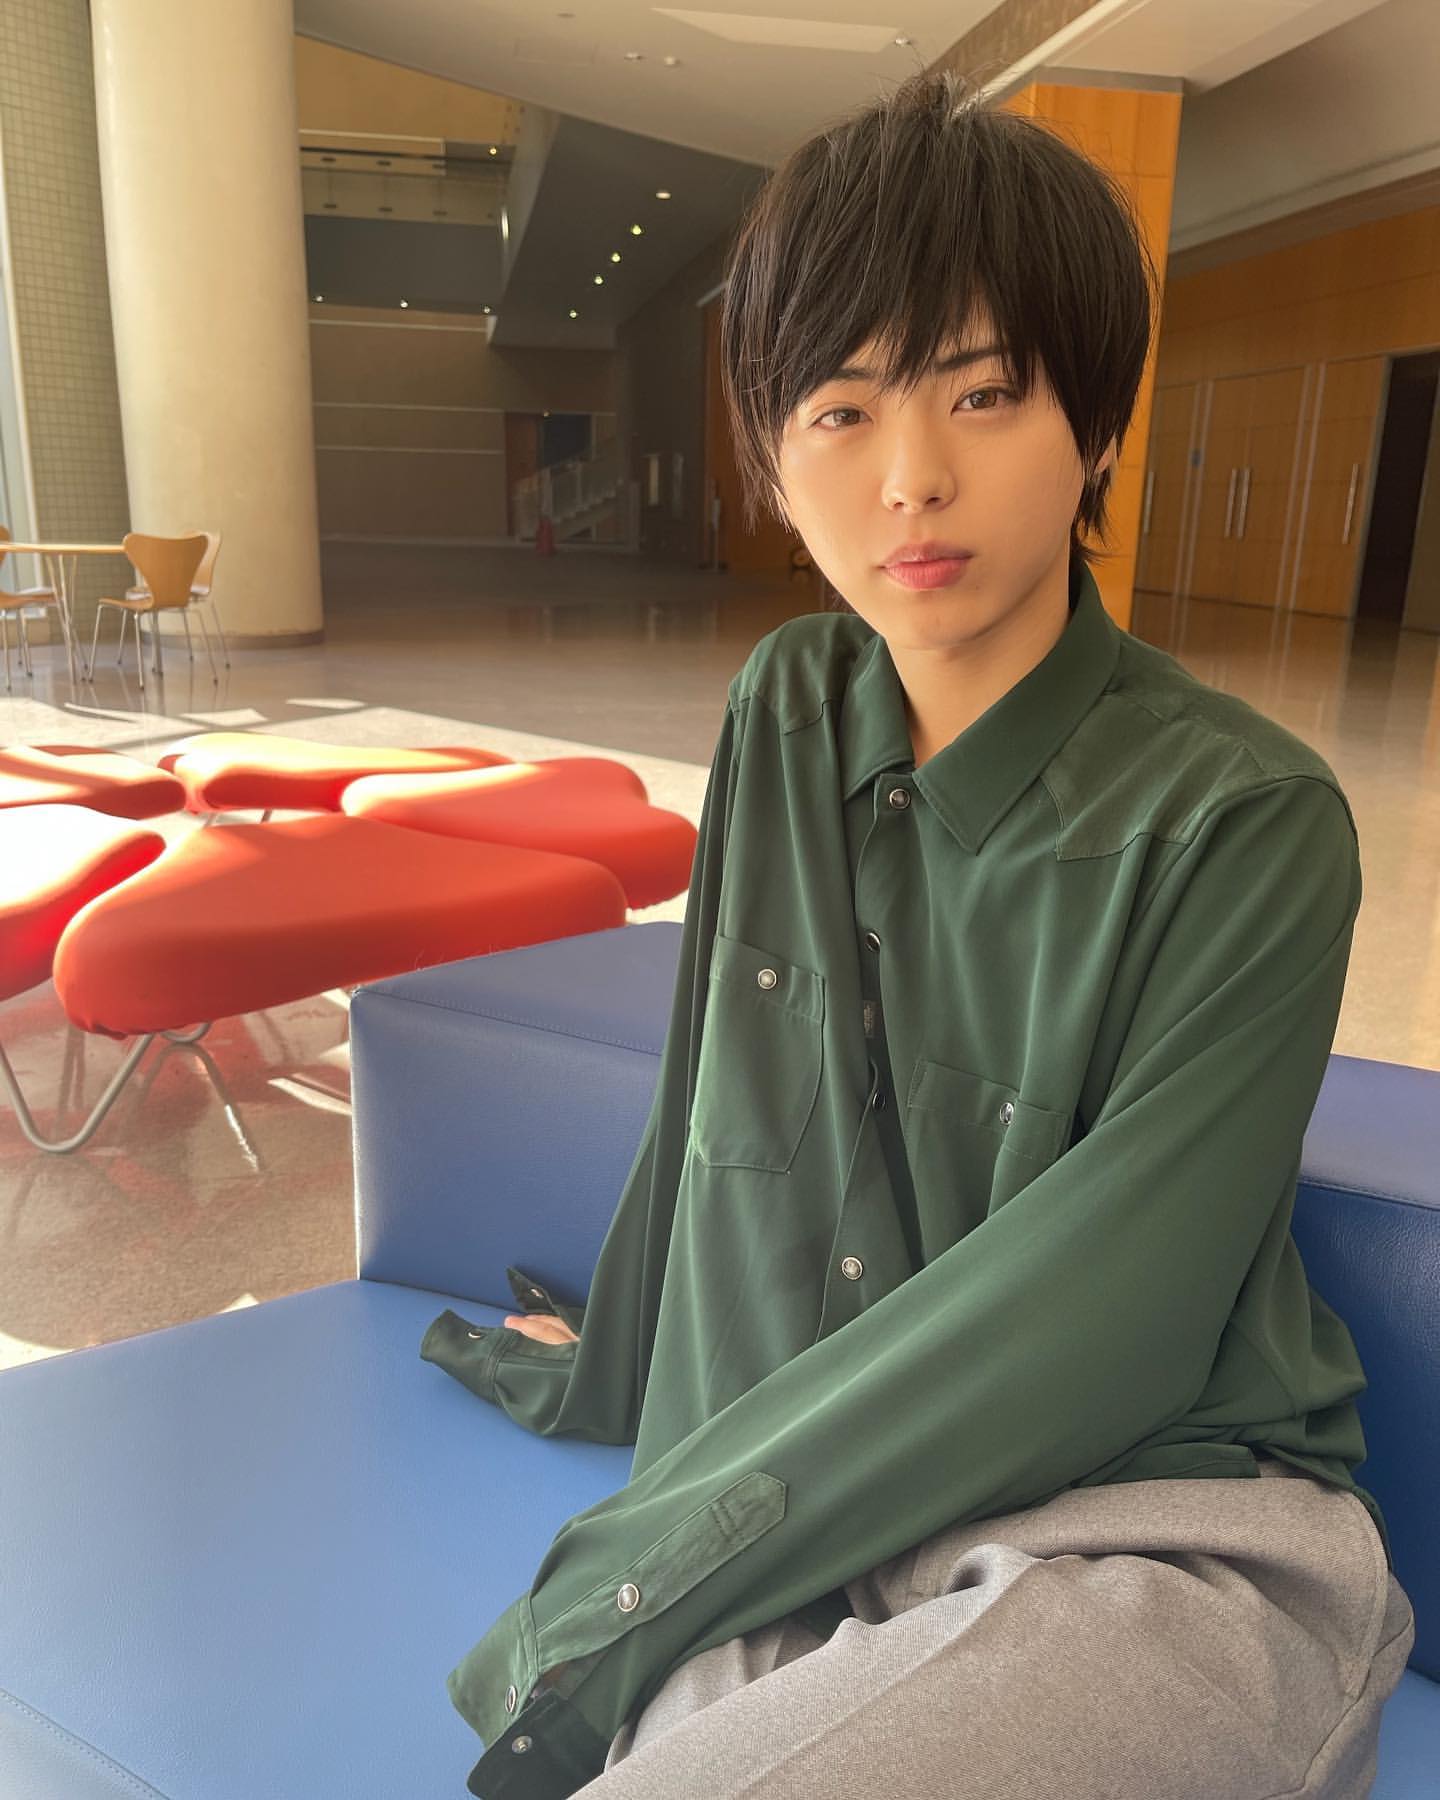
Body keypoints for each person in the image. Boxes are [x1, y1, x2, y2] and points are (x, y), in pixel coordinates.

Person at [419, 68, 1416, 1799]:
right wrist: (624, 1367)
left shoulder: (1246, 819)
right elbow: (714, 1091)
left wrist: (655, 1555)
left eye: (984, 394)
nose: (912, 480)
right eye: (841, 409)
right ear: (773, 452)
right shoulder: (789, 705)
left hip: (1144, 1533)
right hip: (821, 1521)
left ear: (1095, 425)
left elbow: (1110, 1309)